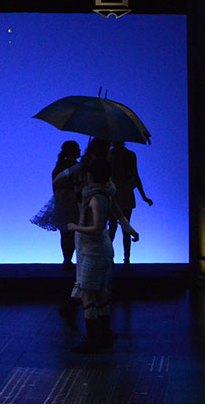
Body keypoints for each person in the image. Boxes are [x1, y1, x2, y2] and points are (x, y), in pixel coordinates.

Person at [60, 138, 139, 353]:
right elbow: (118, 214)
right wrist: (131, 230)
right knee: (102, 293)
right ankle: (102, 335)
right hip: (102, 247)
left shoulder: (95, 197)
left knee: (88, 293)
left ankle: (93, 338)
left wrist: (75, 226)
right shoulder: (105, 194)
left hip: (93, 248)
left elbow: (94, 227)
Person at [30, 141, 82, 267]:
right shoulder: (77, 167)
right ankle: (70, 259)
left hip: (61, 199)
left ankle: (67, 259)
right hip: (73, 200)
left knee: (64, 232)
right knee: (74, 231)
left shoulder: (59, 166)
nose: (80, 151)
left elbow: (54, 185)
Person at [107, 142, 153, 265]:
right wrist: (143, 196)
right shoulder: (126, 154)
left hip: (117, 192)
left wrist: (144, 196)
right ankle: (124, 259)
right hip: (121, 191)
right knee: (122, 227)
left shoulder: (111, 154)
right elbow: (135, 176)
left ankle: (117, 259)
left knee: (115, 227)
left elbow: (135, 175)